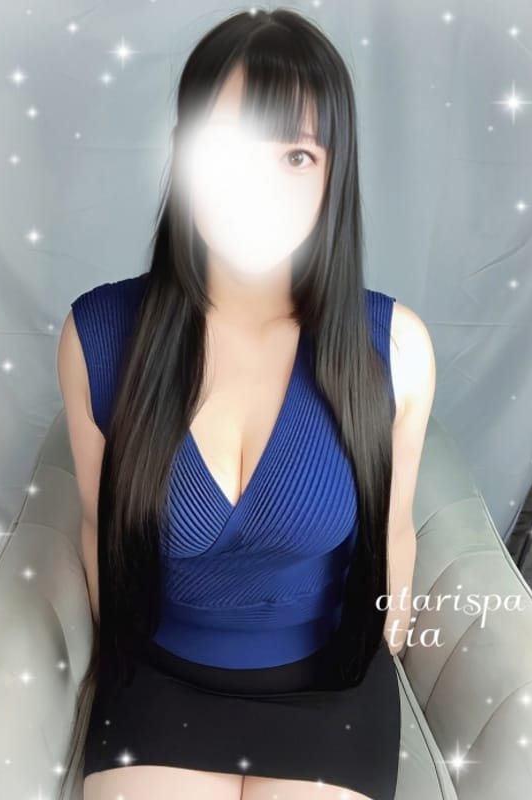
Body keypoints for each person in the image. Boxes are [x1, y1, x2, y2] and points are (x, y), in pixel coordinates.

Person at [57, 7, 435, 800]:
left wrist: (389, 644)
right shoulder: (98, 335)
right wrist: (111, 672)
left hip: (328, 688)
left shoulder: (395, 346)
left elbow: (393, 531)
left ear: (334, 173)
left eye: (296, 155)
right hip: (160, 679)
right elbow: (99, 530)